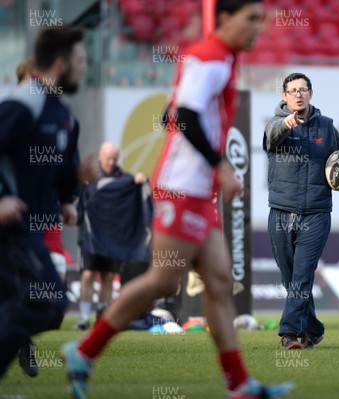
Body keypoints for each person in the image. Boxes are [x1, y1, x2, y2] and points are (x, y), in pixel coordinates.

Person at [62, 2, 294, 398]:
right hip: (181, 189)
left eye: (261, 18)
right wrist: (219, 165)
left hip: (198, 191)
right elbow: (183, 116)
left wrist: (212, 170)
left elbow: (173, 112)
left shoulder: (220, 58)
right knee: (162, 281)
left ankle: (239, 385)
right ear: (223, 18)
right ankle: (83, 351)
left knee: (220, 281)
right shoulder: (210, 58)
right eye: (250, 18)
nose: (259, 26)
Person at [0, 26, 94, 379]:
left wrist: (74, 186)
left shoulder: (62, 113)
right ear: (61, 63)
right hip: (12, 233)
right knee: (49, 303)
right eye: (81, 60)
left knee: (33, 303)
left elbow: (59, 172)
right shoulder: (23, 104)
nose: (85, 67)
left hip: (31, 231)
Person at [263, 72, 339, 350]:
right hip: (281, 213)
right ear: (284, 96)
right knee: (290, 277)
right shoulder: (274, 125)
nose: (298, 94)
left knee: (302, 275)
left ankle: (289, 333)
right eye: (292, 90)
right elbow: (272, 136)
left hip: (316, 213)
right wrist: (286, 123)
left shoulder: (326, 127)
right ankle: (314, 328)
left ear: (311, 93)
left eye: (303, 89)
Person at [74, 142, 150, 331]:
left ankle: (102, 315)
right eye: (108, 158)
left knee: (107, 276)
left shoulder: (124, 178)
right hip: (91, 236)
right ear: (100, 157)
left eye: (114, 158)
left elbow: (138, 184)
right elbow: (74, 197)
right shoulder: (89, 177)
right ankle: (84, 319)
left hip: (112, 238)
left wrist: (142, 179)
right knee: (88, 274)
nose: (111, 161)